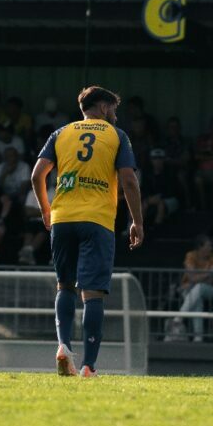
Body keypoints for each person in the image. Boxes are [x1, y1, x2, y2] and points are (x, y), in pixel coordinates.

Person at [31, 86, 143, 376]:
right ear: (103, 107)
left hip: (63, 218)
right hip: (97, 220)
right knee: (92, 293)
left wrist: (46, 209)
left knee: (65, 285)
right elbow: (129, 180)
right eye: (113, 110)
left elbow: (37, 174)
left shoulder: (61, 133)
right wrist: (137, 221)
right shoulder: (116, 136)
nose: (115, 115)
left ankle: (63, 346)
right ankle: (88, 366)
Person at [174, 235, 213, 341]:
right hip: (188, 288)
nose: (211, 248)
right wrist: (207, 274)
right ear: (201, 247)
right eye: (209, 246)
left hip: (211, 289)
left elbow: (210, 279)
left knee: (199, 287)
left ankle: (178, 318)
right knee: (197, 301)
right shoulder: (191, 255)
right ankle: (198, 337)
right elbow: (191, 277)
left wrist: (196, 278)